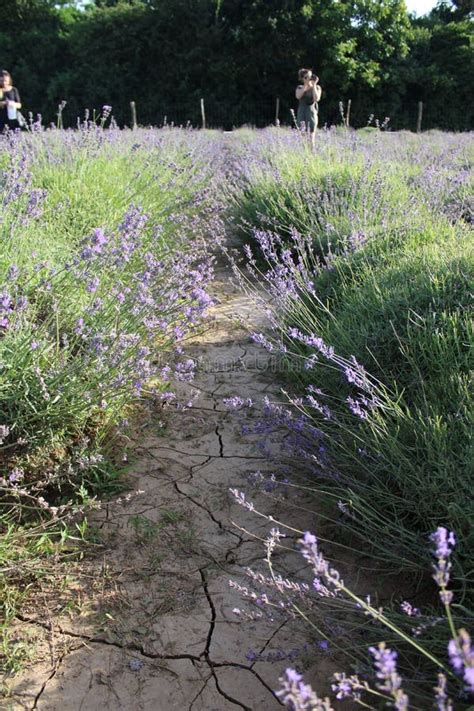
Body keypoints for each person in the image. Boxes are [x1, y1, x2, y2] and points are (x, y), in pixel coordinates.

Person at [295, 68, 321, 147]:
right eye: (306, 77)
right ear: (302, 79)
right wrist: (305, 85)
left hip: (311, 113)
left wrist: (314, 85)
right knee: (302, 137)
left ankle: (312, 154)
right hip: (302, 112)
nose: (308, 79)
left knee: (311, 137)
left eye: (310, 77)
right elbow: (298, 96)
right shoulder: (299, 88)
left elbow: (316, 98)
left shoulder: (317, 88)